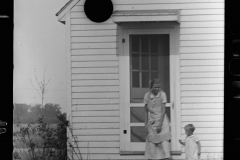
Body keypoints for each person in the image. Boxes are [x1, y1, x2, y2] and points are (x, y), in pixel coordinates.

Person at [144, 79, 171, 160]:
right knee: (152, 144)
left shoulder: (163, 94)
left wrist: (160, 124)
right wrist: (145, 124)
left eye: (158, 87)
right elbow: (146, 111)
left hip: (162, 121)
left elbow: (163, 111)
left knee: (164, 143)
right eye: (155, 87)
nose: (157, 89)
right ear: (151, 87)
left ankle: (166, 158)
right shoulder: (147, 96)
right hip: (152, 121)